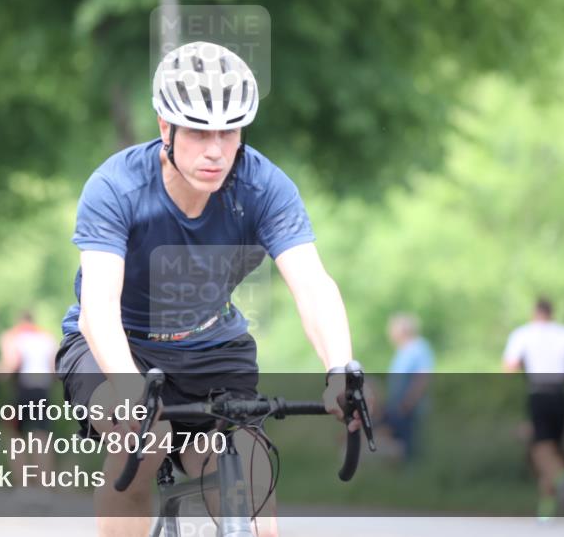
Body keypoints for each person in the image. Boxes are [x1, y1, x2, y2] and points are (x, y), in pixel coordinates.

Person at [55, 41, 361, 537]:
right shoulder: (115, 187)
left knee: (249, 467)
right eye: (199, 131)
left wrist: (339, 369)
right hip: (115, 344)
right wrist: (134, 396)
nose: (216, 149)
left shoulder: (263, 187)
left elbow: (312, 284)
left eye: (230, 130)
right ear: (164, 128)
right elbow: (98, 314)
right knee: (144, 440)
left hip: (210, 346)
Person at [503, 297, 564, 519]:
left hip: (539, 394)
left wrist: (526, 366)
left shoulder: (523, 334)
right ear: (551, 313)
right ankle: (547, 509)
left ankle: (563, 478)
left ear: (534, 313)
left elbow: (509, 366)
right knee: (553, 449)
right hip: (560, 394)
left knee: (541, 450)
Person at [0, 311, 57, 485]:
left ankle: (23, 485)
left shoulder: (12, 336)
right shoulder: (47, 337)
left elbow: (10, 362)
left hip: (21, 390)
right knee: (41, 437)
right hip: (42, 390)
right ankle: (44, 486)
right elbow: (54, 369)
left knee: (15, 438)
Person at [383, 312, 434, 462]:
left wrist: (408, 403)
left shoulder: (419, 348)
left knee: (409, 447)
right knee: (398, 445)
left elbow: (422, 378)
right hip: (398, 407)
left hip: (409, 407)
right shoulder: (403, 350)